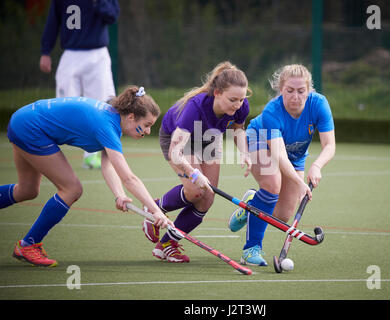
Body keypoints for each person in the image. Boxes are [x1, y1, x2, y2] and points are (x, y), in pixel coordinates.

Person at [0, 86, 172, 267]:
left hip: (22, 119)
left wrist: (119, 195)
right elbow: (129, 178)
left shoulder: (112, 120)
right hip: (31, 128)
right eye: (147, 125)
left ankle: (28, 244)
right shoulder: (106, 125)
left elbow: (108, 164)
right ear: (131, 117)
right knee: (72, 189)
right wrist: (156, 211)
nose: (147, 132)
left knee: (26, 190)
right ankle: (29, 244)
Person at [141, 61, 252, 263]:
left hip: (208, 138)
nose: (237, 105)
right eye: (232, 100)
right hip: (179, 141)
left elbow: (237, 129)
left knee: (207, 198)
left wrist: (245, 152)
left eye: (241, 100)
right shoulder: (195, 106)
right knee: (195, 190)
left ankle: (167, 244)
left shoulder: (241, 106)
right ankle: (154, 209)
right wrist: (193, 173)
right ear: (217, 93)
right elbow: (176, 152)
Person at [228, 64, 336, 266]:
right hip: (259, 139)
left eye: (301, 91)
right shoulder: (272, 111)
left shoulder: (319, 104)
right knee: (272, 183)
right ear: (281, 90)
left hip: (295, 155)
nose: (295, 96)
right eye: (290, 91)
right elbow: (278, 155)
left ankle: (252, 203)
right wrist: (300, 182)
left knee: (282, 216)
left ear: (309, 90)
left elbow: (329, 145)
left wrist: (317, 166)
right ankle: (251, 249)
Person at [40, 0, 120, 169]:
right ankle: (44, 151)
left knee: (101, 105)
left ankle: (92, 156)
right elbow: (53, 22)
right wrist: (45, 51)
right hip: (71, 54)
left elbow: (112, 16)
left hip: (98, 55)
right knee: (63, 107)